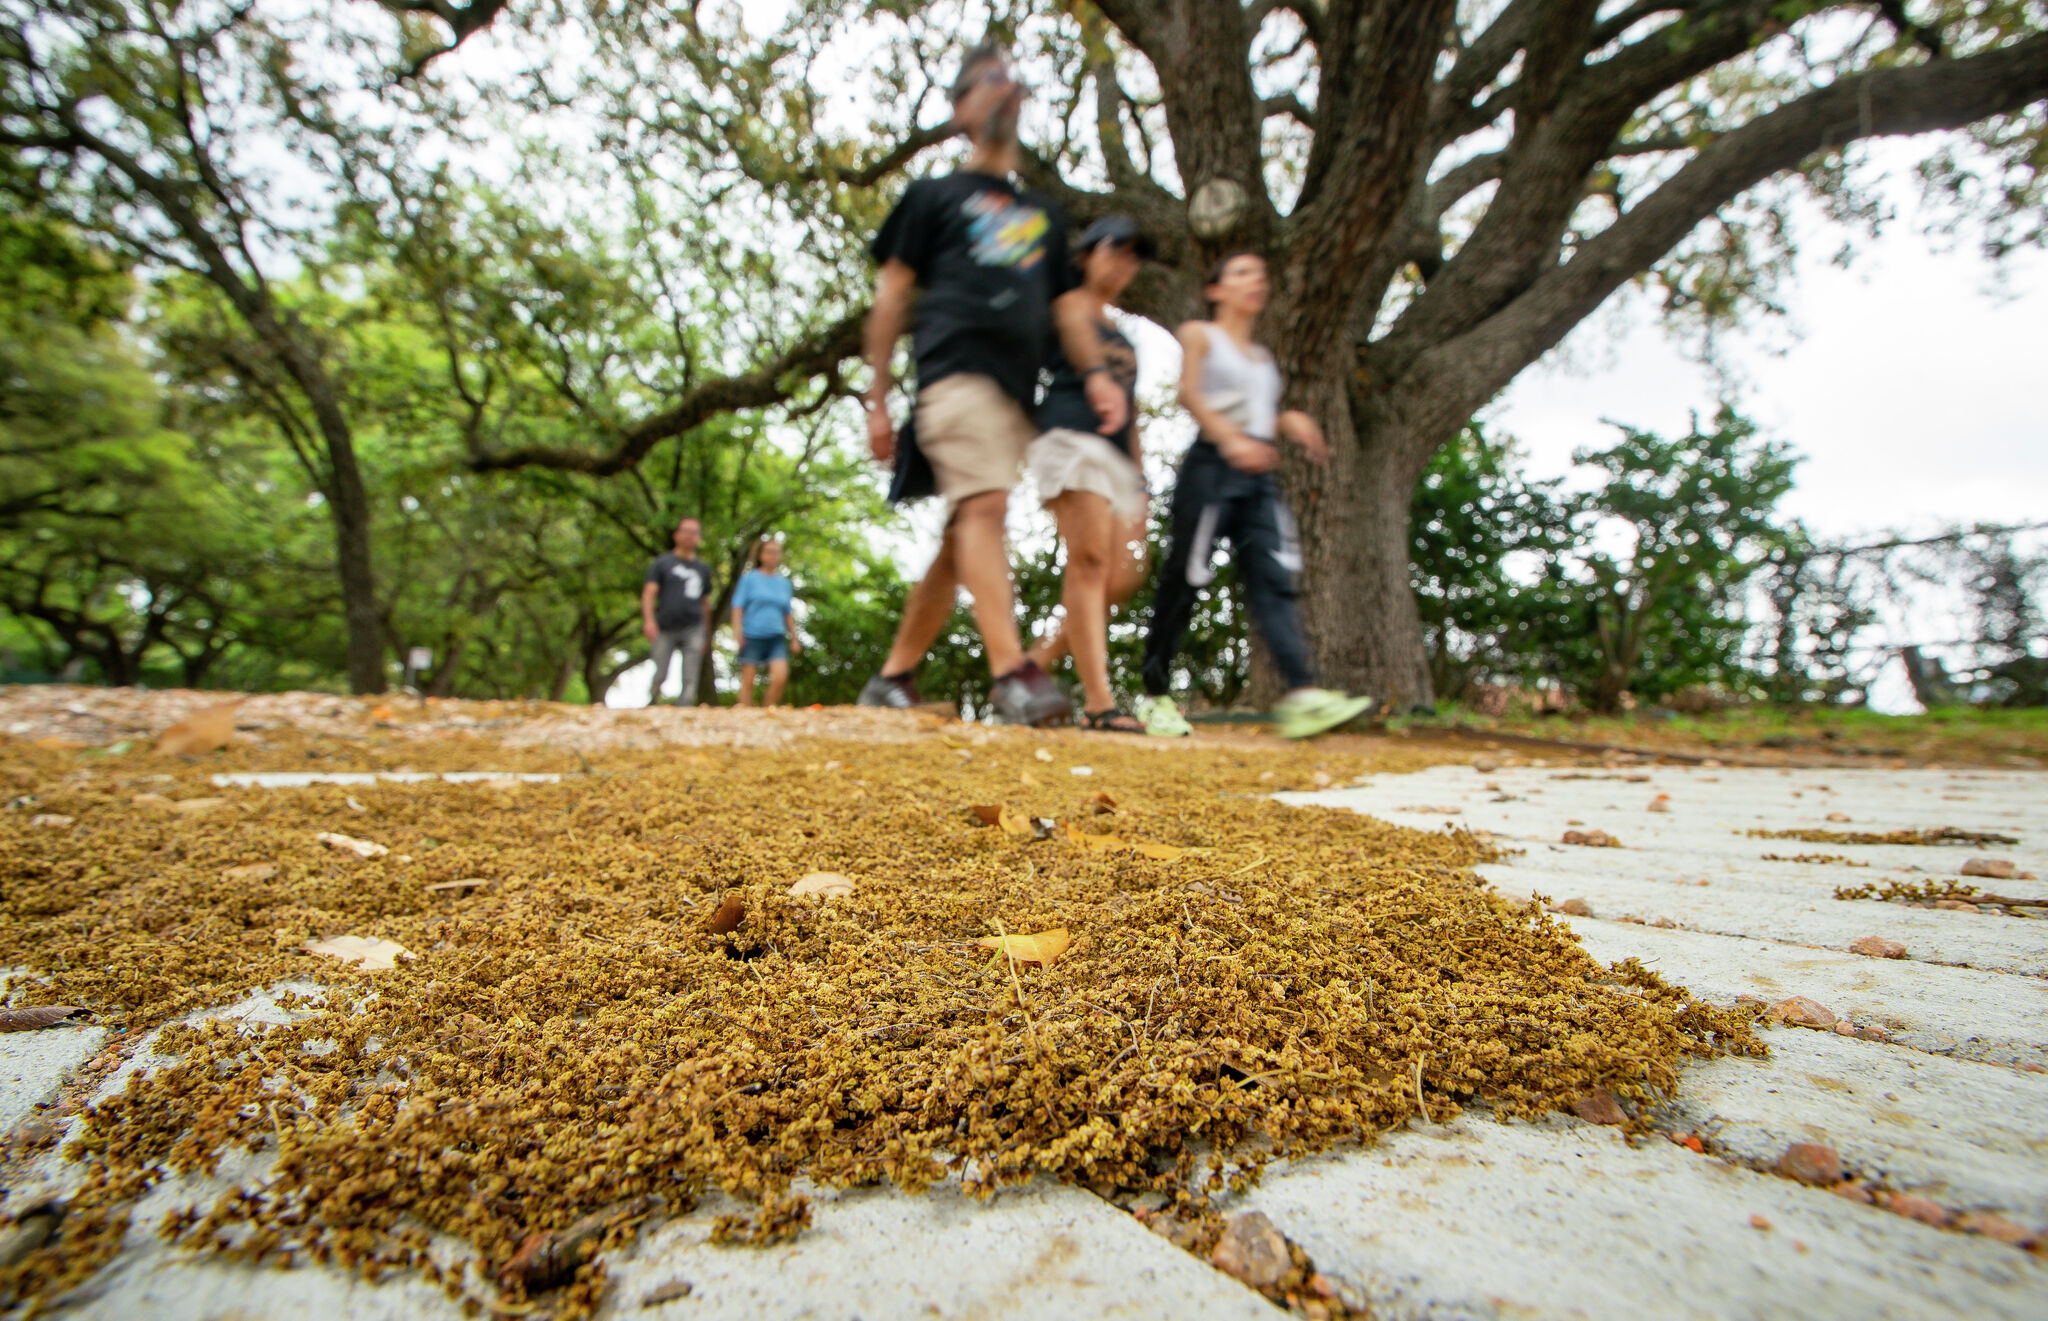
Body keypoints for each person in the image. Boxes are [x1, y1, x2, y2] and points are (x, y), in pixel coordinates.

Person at [855, 41, 1127, 725]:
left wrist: (1094, 373)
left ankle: (893, 675)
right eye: (988, 80)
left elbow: (1066, 307)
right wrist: (878, 397)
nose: (1005, 88)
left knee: (963, 535)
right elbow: (890, 298)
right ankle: (1012, 674)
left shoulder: (1044, 213)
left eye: (1013, 79)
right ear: (960, 108)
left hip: (1018, 396)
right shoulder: (932, 197)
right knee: (986, 511)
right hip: (954, 374)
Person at [1135, 252, 1375, 740]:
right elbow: (1192, 394)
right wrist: (1231, 439)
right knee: (1186, 575)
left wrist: (1287, 422)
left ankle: (1302, 694)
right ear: (1216, 289)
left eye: (1261, 274)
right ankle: (1154, 696)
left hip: (1259, 477)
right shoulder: (1200, 334)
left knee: (1275, 576)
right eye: (1242, 272)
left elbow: (1260, 411)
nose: (1256, 281)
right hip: (1212, 467)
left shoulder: (1263, 359)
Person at [1025, 214, 1155, 733]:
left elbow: (1133, 409)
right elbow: (1075, 329)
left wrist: (1141, 482)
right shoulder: (1069, 306)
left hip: (1117, 459)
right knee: (1091, 560)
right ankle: (1100, 704)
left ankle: (1035, 662)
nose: (1125, 263)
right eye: (1114, 250)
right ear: (1085, 256)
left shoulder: (1124, 333)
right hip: (1070, 437)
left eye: (1132, 256)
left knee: (1121, 576)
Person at [641, 516, 713, 706]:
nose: (690, 536)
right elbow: (649, 593)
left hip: (694, 626)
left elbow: (705, 602)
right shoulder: (662, 563)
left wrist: (706, 632)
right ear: (676, 535)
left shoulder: (703, 569)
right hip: (665, 625)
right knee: (660, 672)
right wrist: (649, 621)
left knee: (691, 673)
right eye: (686, 531)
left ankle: (684, 707)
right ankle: (653, 701)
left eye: (695, 532)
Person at [730, 538, 800, 708]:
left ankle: (767, 710)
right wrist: (737, 633)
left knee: (780, 676)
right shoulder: (749, 579)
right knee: (748, 681)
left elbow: (787, 612)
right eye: (769, 551)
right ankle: (745, 715)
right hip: (752, 635)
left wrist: (794, 638)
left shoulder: (784, 583)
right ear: (760, 555)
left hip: (776, 635)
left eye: (777, 552)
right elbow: (737, 607)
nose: (773, 556)